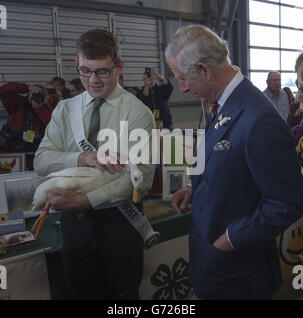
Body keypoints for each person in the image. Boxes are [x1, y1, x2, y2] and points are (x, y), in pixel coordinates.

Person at [166, 24, 303, 300]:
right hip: (215, 267)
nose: (182, 87)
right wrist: (196, 188)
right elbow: (230, 163)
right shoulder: (224, 105)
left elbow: (287, 202)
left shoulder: (259, 118)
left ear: (205, 69)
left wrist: (229, 240)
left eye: (183, 78)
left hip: (241, 274)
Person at [34, 28, 155, 300]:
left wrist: (84, 200)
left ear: (119, 66)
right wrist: (82, 157)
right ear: (77, 64)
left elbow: (141, 180)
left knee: (122, 297)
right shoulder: (65, 110)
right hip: (75, 225)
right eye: (85, 71)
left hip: (120, 221)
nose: (93, 80)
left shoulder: (137, 114)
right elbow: (42, 161)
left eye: (102, 71)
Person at [0, 82, 55, 154]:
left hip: (30, 148)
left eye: (39, 95)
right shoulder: (18, 102)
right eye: (34, 94)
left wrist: (39, 108)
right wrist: (26, 87)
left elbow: (50, 124)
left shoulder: (46, 108)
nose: (35, 98)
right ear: (29, 94)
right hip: (8, 144)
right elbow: (3, 91)